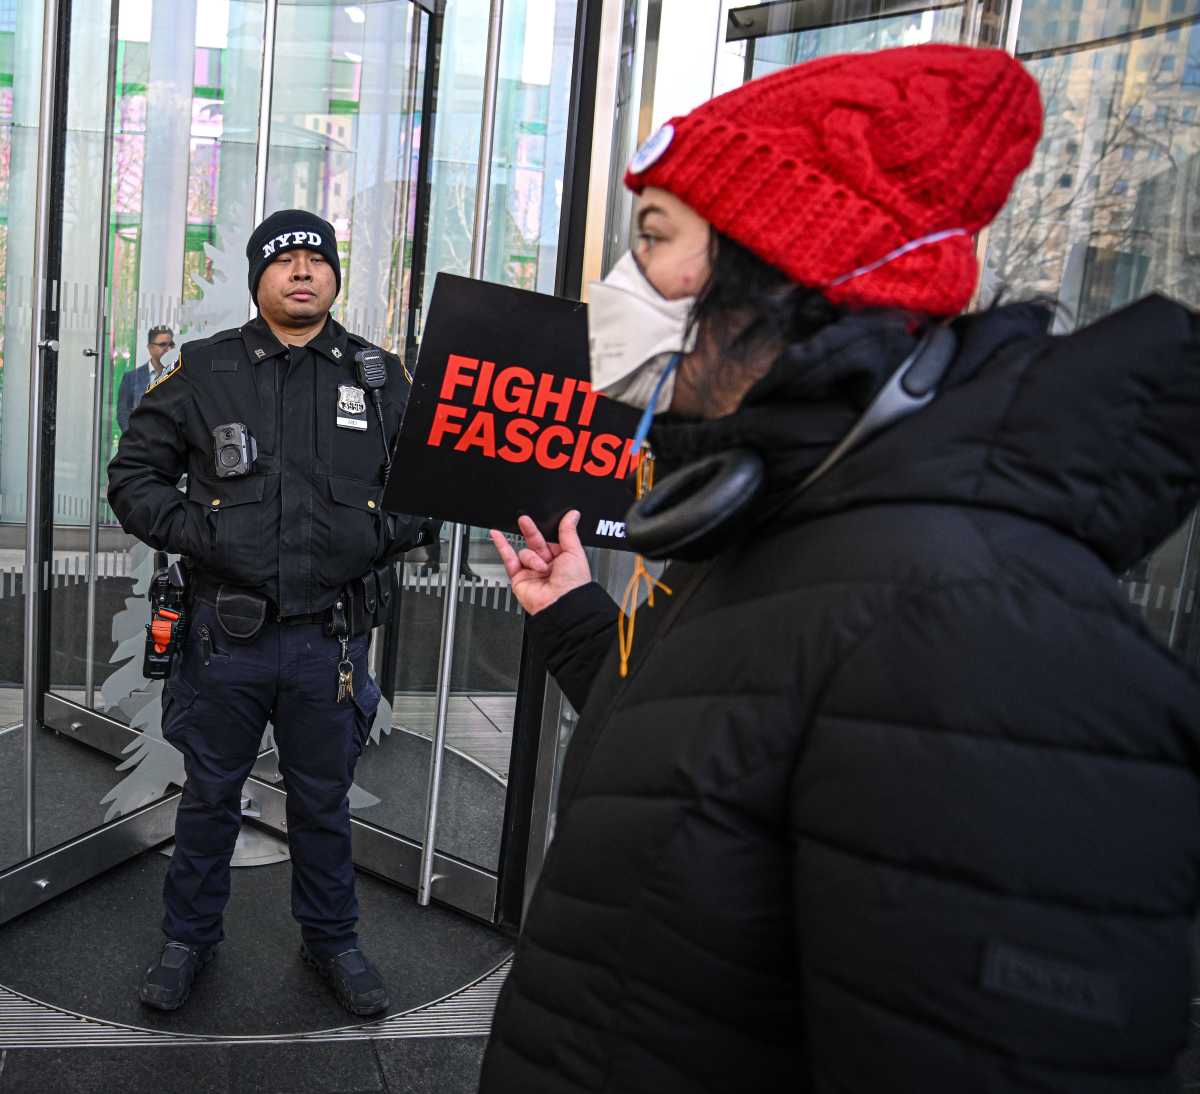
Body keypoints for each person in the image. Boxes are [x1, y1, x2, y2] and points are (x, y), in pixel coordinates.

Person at [480, 45, 1200, 1091]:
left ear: (785, 271)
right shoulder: (791, 517)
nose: (619, 286)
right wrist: (580, 618)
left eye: (654, 239)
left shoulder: (976, 627)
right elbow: (723, 750)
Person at [107, 209, 434, 1017]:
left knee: (322, 802)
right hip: (227, 639)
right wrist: (206, 534)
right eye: (284, 260)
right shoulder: (207, 368)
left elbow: (430, 486)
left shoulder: (378, 376)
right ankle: (188, 939)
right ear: (259, 278)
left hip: (331, 642)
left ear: (333, 276)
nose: (302, 270)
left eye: (316, 258)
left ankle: (333, 941)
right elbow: (134, 479)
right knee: (209, 796)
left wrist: (373, 537)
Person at [117, 325, 174, 431]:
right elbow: (123, 413)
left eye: (171, 345)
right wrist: (134, 437)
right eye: (163, 345)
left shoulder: (178, 376)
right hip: (140, 438)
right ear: (150, 348)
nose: (168, 349)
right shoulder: (131, 378)